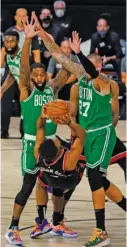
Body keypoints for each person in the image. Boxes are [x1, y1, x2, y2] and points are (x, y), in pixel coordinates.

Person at [32, 15, 126, 246]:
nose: (88, 69)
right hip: (84, 134)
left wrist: (79, 54)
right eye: (87, 66)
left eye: (93, 66)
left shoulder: (105, 81)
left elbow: (114, 115)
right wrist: (43, 36)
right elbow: (57, 55)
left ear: (99, 65)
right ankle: (59, 219)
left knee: (95, 177)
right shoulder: (78, 83)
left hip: (102, 133)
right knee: (95, 181)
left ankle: (101, 231)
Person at [5, 17, 70, 246]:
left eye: (42, 74)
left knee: (56, 186)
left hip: (53, 143)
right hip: (32, 144)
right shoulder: (25, 91)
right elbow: (23, 67)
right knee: (28, 185)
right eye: (36, 76)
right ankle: (13, 227)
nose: (39, 77)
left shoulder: (53, 89)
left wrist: (52, 43)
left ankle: (53, 222)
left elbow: (67, 67)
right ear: (31, 79)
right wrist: (28, 41)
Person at [33, 109, 85, 237]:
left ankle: (42, 220)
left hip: (49, 178)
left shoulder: (38, 153)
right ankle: (57, 222)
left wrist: (43, 117)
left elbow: (40, 128)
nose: (55, 139)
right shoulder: (68, 160)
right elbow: (82, 136)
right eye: (55, 142)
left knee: (40, 182)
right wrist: (69, 123)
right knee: (59, 188)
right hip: (69, 180)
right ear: (59, 151)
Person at [1, 8, 40, 138]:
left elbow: (35, 53)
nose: (22, 18)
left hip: (26, 71)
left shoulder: (30, 35)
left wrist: (37, 70)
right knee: (5, 101)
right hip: (12, 70)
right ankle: (4, 130)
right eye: (20, 15)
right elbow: (4, 55)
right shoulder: (10, 34)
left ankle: (25, 131)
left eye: (25, 16)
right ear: (15, 17)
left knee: (25, 104)